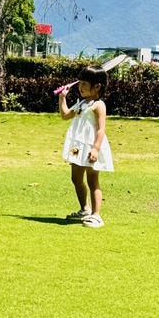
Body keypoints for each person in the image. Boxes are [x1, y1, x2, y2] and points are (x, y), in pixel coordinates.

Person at [58, 66, 114, 227]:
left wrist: (95, 148)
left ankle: (97, 215)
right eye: (80, 83)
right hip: (77, 147)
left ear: (97, 87)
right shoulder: (81, 103)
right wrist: (62, 98)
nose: (80, 87)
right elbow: (65, 115)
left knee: (92, 180)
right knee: (75, 178)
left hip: (91, 147)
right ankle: (84, 210)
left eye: (84, 84)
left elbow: (101, 129)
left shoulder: (98, 105)